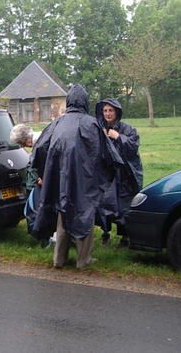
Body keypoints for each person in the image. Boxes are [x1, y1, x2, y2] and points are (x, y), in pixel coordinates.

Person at [33, 84, 104, 269]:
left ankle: (59, 259)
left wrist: (44, 173)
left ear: (69, 101)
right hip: (84, 181)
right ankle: (83, 260)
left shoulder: (57, 123)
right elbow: (105, 154)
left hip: (61, 179)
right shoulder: (92, 123)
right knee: (84, 215)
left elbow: (39, 148)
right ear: (85, 101)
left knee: (63, 215)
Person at [95, 98, 143, 247]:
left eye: (111, 110)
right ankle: (105, 233)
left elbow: (133, 147)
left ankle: (124, 237)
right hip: (106, 175)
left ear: (117, 112)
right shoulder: (98, 129)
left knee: (123, 205)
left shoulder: (127, 129)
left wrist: (119, 137)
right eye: (105, 111)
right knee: (104, 204)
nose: (108, 114)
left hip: (124, 175)